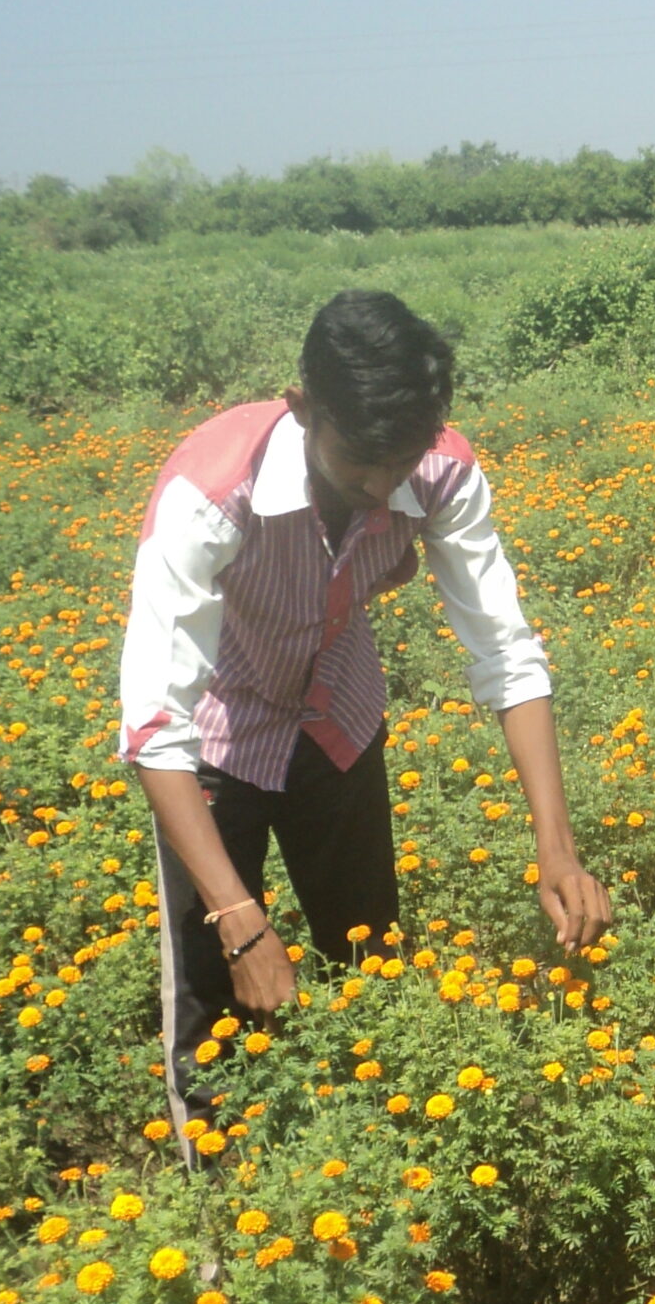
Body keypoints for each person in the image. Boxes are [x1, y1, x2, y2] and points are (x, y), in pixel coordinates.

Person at [118, 289, 610, 1148]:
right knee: (218, 1003)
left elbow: (507, 652)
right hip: (214, 742)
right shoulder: (211, 491)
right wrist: (239, 921)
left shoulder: (442, 469)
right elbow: (157, 726)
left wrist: (557, 849)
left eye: (402, 459)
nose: (385, 486)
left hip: (335, 722)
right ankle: (222, 1223)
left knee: (369, 956)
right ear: (303, 408)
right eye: (359, 465)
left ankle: (375, 1163)